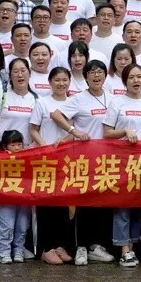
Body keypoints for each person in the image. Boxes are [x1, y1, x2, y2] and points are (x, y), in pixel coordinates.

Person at [52, 60, 116, 266]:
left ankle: (96, 246)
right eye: (92, 72)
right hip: (84, 159)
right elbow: (56, 115)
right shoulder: (79, 99)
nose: (96, 76)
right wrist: (74, 131)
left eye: (100, 72)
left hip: (107, 160)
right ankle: (80, 247)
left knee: (102, 204)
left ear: (105, 75)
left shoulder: (113, 98)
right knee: (83, 203)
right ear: (86, 76)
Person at [104, 64, 141, 267]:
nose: (136, 81)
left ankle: (132, 247)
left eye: (139, 76)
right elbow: (107, 132)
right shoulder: (117, 102)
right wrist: (124, 132)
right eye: (131, 77)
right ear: (125, 81)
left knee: (138, 206)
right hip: (122, 161)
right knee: (122, 205)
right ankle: (124, 249)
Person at [28, 66, 76, 265]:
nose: (61, 84)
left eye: (65, 80)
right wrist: (45, 147)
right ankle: (45, 248)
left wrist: (64, 142)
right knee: (45, 204)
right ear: (49, 82)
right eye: (57, 80)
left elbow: (77, 131)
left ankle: (60, 246)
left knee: (63, 205)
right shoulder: (42, 102)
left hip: (66, 160)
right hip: (45, 160)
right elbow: (33, 129)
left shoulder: (74, 102)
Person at [0, 130, 32, 264]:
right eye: (13, 145)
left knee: (22, 226)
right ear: (5, 146)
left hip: (24, 197)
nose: (17, 148)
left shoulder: (28, 156)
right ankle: (4, 252)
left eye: (19, 144)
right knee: (7, 226)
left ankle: (19, 251)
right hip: (7, 197)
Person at [0, 58, 38, 149]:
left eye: (23, 71)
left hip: (26, 151)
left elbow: (38, 129)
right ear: (10, 76)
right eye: (15, 71)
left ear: (29, 73)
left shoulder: (36, 99)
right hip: (3, 150)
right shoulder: (1, 95)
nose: (20, 75)